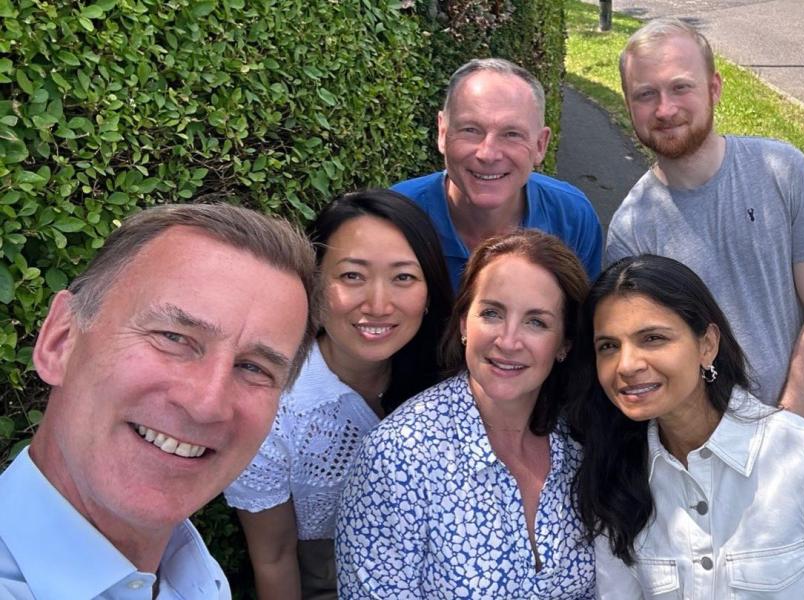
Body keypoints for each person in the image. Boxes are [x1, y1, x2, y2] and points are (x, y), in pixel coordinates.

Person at [0, 203, 320, 599]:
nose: (207, 403)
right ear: (60, 341)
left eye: (254, 368)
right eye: (173, 337)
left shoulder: (191, 572)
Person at [572, 255, 804, 599]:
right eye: (608, 346)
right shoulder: (613, 474)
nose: (626, 365)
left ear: (707, 345)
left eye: (653, 338)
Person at [607, 18, 804, 426]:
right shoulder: (631, 231)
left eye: (681, 87)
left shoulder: (781, 171)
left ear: (714, 87)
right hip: (700, 455)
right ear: (630, 105)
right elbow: (648, 356)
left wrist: (784, 426)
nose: (665, 109)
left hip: (800, 435)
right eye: (646, 94)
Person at [336, 230, 595, 598]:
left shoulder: (579, 442)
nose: (507, 341)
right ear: (463, 325)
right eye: (491, 313)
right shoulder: (399, 457)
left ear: (564, 344)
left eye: (536, 321)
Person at [224, 190, 453, 599]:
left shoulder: (453, 378)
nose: (379, 304)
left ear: (430, 290)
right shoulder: (273, 410)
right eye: (352, 276)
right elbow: (274, 558)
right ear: (313, 285)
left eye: (403, 277)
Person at [393, 58, 603, 289]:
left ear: (540, 145)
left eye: (511, 134)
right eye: (471, 130)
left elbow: (583, 320)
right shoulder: (397, 217)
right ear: (442, 133)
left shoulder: (571, 218)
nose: (488, 154)